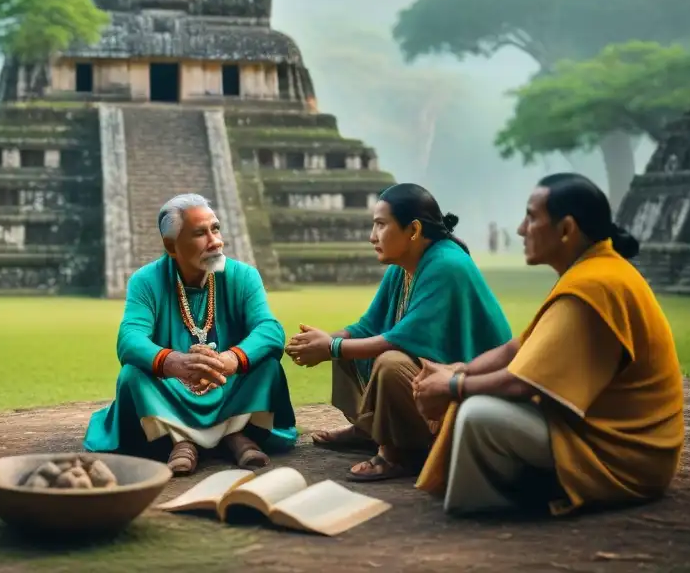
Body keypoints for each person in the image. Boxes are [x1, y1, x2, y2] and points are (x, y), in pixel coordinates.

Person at [413, 173, 685, 517]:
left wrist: (453, 385)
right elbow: (519, 347)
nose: (521, 229)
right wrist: (461, 369)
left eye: (532, 217)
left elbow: (522, 383)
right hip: (620, 442)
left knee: (478, 413)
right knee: (476, 399)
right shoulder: (591, 270)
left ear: (567, 229)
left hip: (627, 458)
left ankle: (492, 508)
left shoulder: (595, 284)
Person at [287, 183, 512, 482]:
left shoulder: (447, 265)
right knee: (347, 342)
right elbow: (367, 327)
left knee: (389, 363)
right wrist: (322, 342)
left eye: (381, 225)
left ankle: (398, 453)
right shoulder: (404, 265)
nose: (372, 237)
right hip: (435, 381)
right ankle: (369, 429)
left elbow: (398, 340)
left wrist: (331, 347)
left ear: (414, 230)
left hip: (467, 398)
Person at [83, 193, 297, 476]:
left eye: (216, 229)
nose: (215, 241)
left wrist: (229, 361)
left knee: (268, 367)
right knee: (132, 376)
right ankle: (184, 439)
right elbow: (129, 339)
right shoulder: (146, 281)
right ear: (172, 246)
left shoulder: (244, 276)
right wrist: (175, 364)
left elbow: (270, 330)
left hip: (228, 384)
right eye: (200, 233)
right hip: (172, 389)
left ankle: (233, 433)